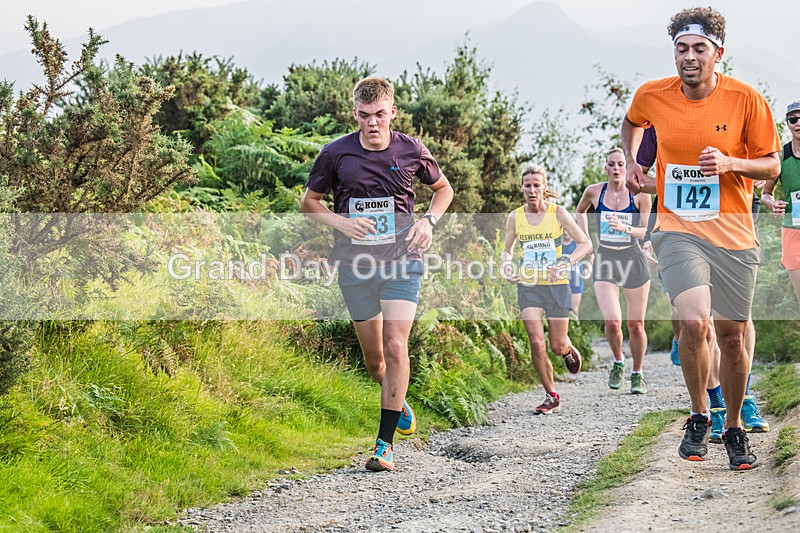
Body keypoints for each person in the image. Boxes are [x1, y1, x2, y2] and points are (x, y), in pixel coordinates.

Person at [622, 7, 781, 470]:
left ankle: (733, 426)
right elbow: (632, 121)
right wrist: (632, 161)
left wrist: (732, 164)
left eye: (698, 49)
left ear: (718, 54)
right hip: (678, 229)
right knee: (693, 324)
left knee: (732, 336)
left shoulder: (746, 99)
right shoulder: (652, 94)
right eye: (681, 48)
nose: (689, 57)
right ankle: (699, 415)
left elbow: (771, 163)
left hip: (733, 232)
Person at [300, 77, 454, 472]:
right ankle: (397, 399)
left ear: (392, 112)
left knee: (396, 346)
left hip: (403, 260)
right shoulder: (335, 153)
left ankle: (384, 446)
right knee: (375, 362)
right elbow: (309, 202)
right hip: (355, 267)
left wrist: (428, 222)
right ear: (355, 114)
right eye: (365, 115)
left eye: (380, 114)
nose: (372, 122)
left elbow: (444, 190)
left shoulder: (411, 150)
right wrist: (343, 223)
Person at [639, 127, 770, 442]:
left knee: (737, 324)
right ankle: (716, 404)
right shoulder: (662, 116)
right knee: (702, 324)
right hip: (683, 228)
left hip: (734, 217)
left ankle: (744, 398)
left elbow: (768, 165)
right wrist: (652, 228)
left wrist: (738, 166)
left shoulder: (738, 110)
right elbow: (642, 178)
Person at [501, 164, 592, 414]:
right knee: (535, 340)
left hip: (556, 285)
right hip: (529, 285)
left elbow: (586, 244)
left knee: (556, 346)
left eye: (536, 185)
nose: (532, 190)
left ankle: (567, 348)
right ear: (521, 188)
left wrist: (566, 262)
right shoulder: (515, 217)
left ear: (544, 187)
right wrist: (506, 266)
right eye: (527, 186)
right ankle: (551, 395)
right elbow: (507, 250)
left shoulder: (558, 213)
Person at [577, 148, 652, 394]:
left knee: (636, 324)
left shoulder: (640, 195)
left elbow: (648, 230)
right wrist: (586, 240)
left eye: (621, 164)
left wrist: (625, 228)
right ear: (606, 168)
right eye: (612, 164)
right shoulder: (594, 192)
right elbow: (580, 211)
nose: (617, 168)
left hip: (633, 258)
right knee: (612, 322)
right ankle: (619, 361)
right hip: (606, 259)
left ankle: (637, 373)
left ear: (628, 168)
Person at [762, 100, 800, 306]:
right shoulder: (780, 156)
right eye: (793, 119)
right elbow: (766, 193)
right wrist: (773, 204)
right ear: (788, 124)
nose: (798, 123)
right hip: (793, 231)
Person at [561, 229, 586, 315]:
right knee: (562, 308)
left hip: (576, 281)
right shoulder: (558, 245)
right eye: (564, 230)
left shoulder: (578, 243)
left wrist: (588, 269)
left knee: (574, 310)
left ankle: (574, 323)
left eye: (567, 230)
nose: (565, 233)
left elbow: (591, 255)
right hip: (562, 280)